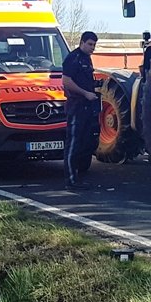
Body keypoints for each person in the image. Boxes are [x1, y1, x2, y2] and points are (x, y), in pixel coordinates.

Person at [61, 31, 99, 190]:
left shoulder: (87, 59)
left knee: (86, 142)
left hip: (87, 107)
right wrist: (85, 93)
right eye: (90, 44)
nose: (92, 48)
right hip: (76, 106)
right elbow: (66, 81)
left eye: (94, 45)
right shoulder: (73, 58)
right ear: (82, 42)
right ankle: (71, 179)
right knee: (74, 143)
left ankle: (79, 175)